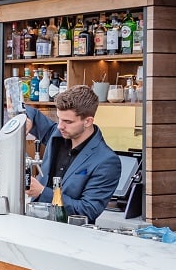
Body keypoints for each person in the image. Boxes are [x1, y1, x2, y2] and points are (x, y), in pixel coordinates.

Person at [24, 85, 121, 224]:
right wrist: (25, 118)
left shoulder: (107, 161)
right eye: (59, 119)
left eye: (68, 121)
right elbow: (30, 112)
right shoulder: (57, 135)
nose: (60, 126)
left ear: (88, 121)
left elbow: (88, 210)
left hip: (71, 237)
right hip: (36, 226)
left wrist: (42, 192)